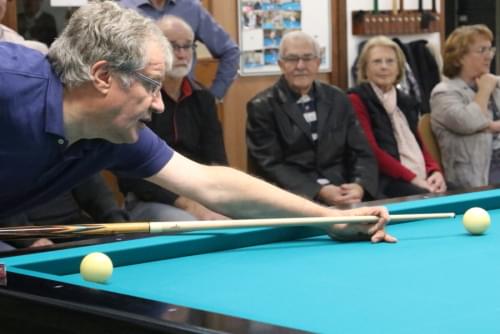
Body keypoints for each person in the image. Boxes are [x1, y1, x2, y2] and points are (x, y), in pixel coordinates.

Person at [0, 1, 395, 245]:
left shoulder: (114, 132)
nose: (158, 104)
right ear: (102, 77)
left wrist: (329, 220)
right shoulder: (9, 84)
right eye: (151, 85)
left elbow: (212, 183)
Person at [246, 31, 378, 207]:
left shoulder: (339, 99)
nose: (300, 66)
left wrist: (359, 186)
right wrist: (318, 191)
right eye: (292, 59)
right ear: (281, 64)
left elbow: (362, 152)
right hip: (292, 199)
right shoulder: (261, 106)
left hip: (344, 191)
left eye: (308, 58)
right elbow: (270, 165)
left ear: (318, 62)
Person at [119, 15, 228, 221]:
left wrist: (223, 203)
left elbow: (218, 161)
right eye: (173, 46)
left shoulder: (203, 98)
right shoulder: (138, 99)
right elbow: (132, 175)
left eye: (187, 46)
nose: (182, 54)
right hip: (151, 198)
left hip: (202, 194)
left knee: (245, 218)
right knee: (191, 225)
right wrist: (191, 206)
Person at [348, 36, 446, 198]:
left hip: (417, 175)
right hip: (384, 180)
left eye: (390, 61)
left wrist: (434, 170)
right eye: (377, 62)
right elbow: (371, 150)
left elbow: (420, 144)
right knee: (427, 197)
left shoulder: (406, 101)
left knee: (454, 191)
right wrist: (413, 178)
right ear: (365, 68)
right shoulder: (356, 99)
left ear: (399, 67)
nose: (384, 67)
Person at [118, 0, 239, 100]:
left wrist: (212, 96)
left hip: (185, 102)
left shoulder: (191, 7)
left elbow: (230, 51)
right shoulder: (122, 10)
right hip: (139, 104)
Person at [430, 24, 500, 189]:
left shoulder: (493, 84)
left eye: (490, 49)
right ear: (459, 57)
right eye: (481, 50)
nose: (489, 56)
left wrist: (489, 126)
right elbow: (469, 122)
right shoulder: (443, 93)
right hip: (476, 176)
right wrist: (484, 90)